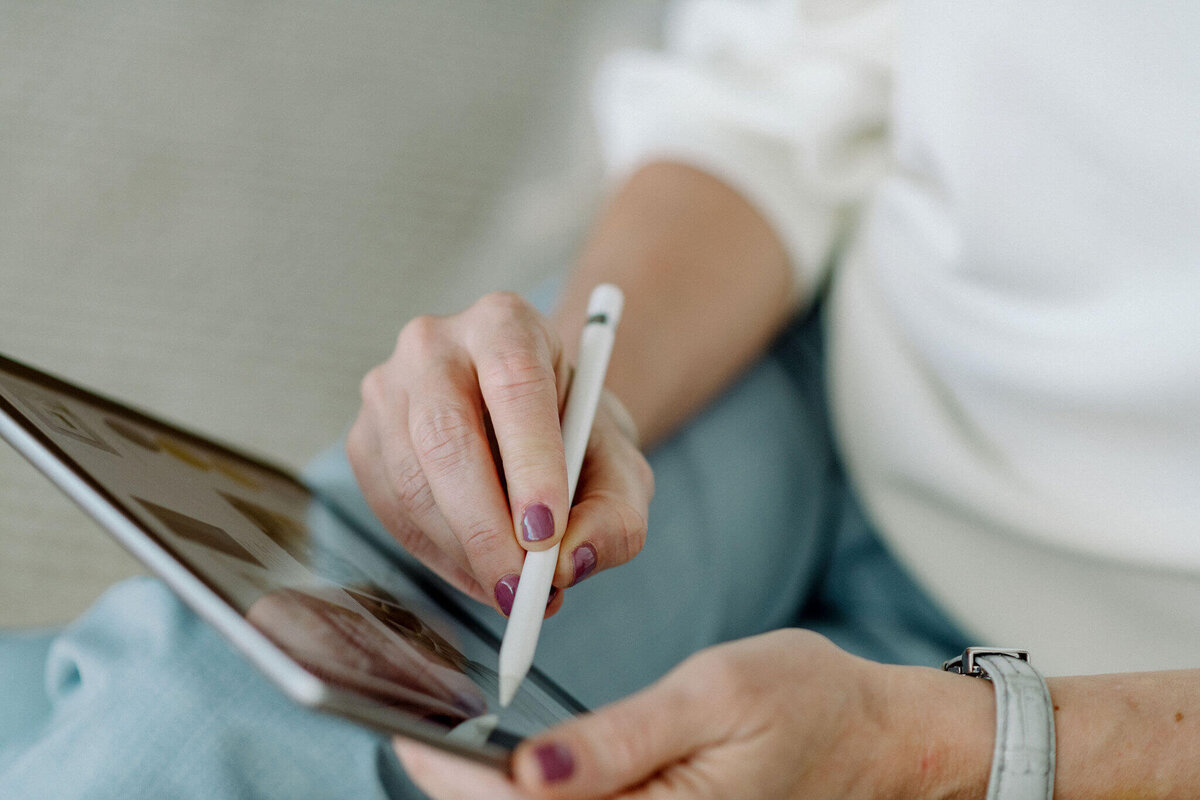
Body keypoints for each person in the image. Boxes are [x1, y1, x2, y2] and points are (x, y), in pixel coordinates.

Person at [2, 1, 1198, 798]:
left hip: (1136, 689)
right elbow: (793, 75)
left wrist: (958, 749)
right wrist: (577, 400)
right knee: (176, 723)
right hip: (817, 368)